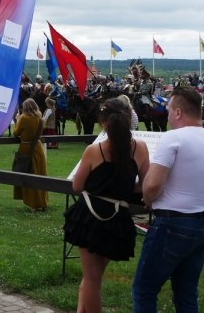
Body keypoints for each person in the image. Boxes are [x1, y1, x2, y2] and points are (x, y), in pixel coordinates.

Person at [134, 86, 204, 313]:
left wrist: (147, 198)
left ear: (179, 112)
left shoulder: (172, 138)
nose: (168, 115)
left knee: (144, 290)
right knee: (186, 294)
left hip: (173, 222)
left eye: (169, 110)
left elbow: (153, 184)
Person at [64, 98, 150, 312]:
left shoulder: (95, 150)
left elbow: (77, 185)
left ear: (103, 122)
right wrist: (122, 185)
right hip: (117, 218)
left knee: (92, 279)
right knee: (94, 277)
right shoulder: (140, 148)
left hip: (90, 216)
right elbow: (145, 184)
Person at [13, 98, 48, 212]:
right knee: (40, 174)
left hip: (26, 149)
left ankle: (34, 204)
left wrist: (18, 120)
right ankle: (43, 203)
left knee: (29, 175)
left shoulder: (24, 118)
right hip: (38, 148)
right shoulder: (40, 119)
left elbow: (15, 133)